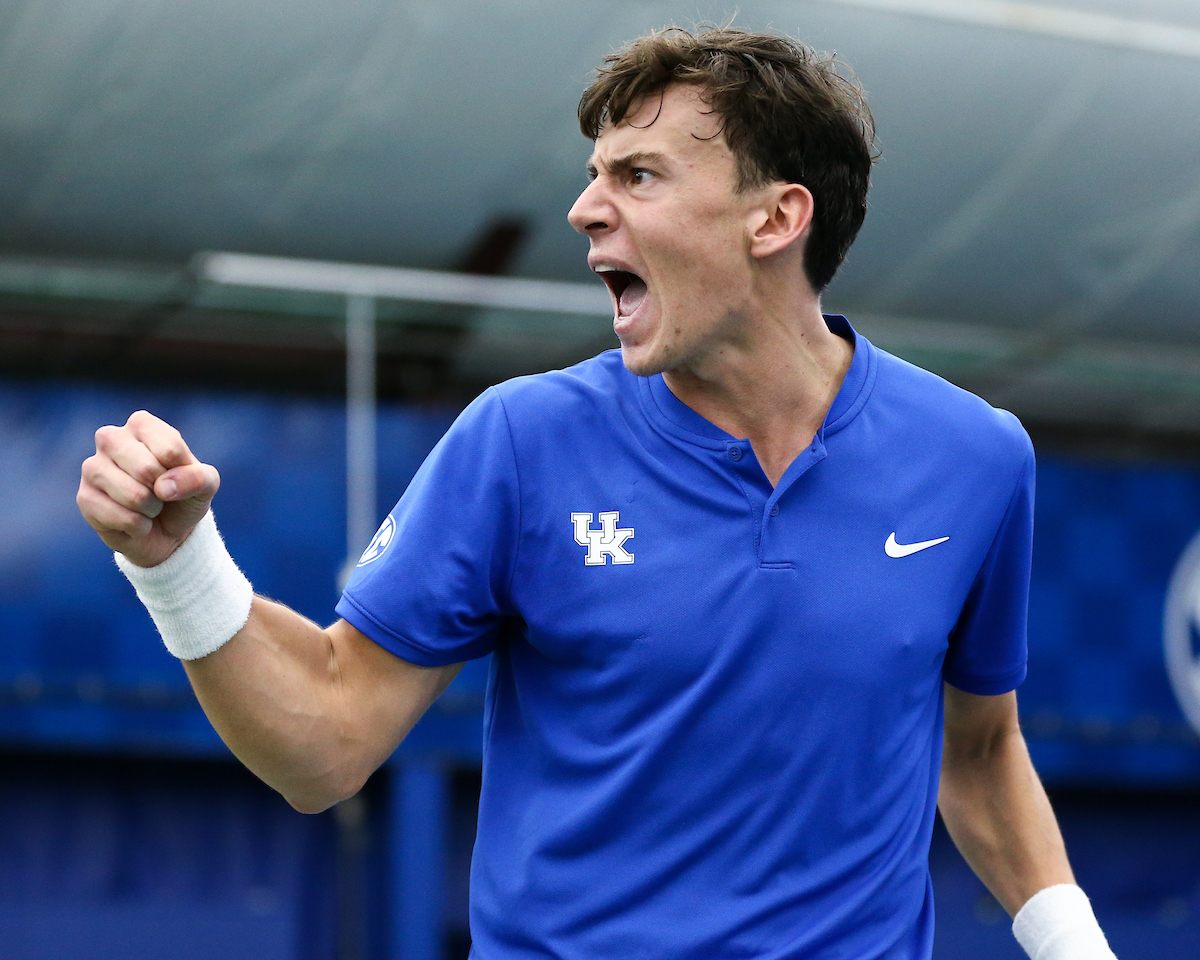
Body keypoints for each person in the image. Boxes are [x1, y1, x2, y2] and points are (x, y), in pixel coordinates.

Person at [77, 26, 1117, 960]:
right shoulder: (520, 440)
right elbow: (325, 745)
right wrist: (178, 565)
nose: (584, 209)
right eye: (595, 174)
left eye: (640, 176)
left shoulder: (978, 457)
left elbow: (979, 750)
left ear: (775, 219)